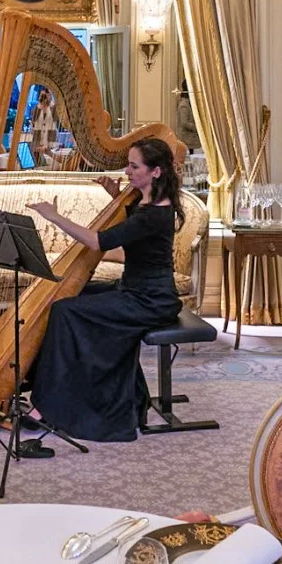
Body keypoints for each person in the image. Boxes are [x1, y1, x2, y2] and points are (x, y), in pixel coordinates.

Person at [23, 136, 185, 443]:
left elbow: (98, 241)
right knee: (71, 295)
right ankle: (61, 389)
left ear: (156, 172)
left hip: (150, 300)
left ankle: (48, 405)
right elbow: (133, 216)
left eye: (134, 166)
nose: (126, 171)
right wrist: (115, 194)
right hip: (134, 289)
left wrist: (54, 216)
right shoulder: (146, 201)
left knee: (64, 310)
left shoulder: (153, 215)